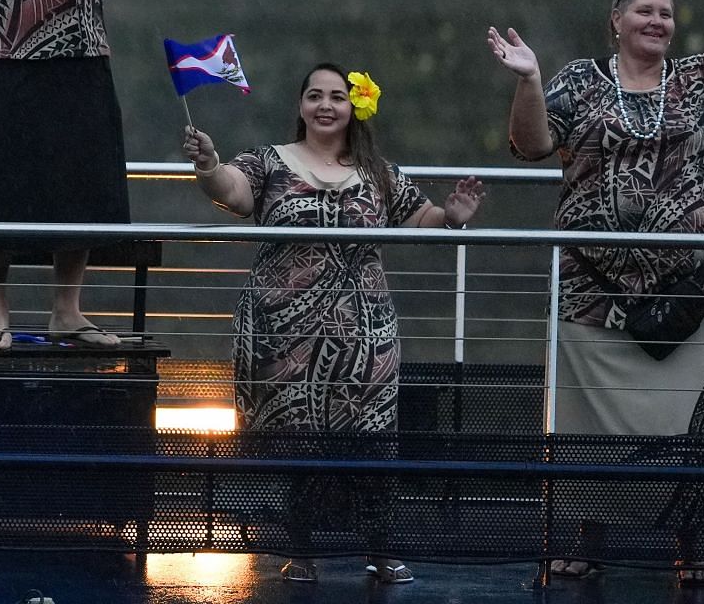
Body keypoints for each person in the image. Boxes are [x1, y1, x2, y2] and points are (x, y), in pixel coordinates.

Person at [490, 0, 704, 586]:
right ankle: (587, 541)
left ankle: (693, 546)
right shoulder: (580, 82)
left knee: (697, 423)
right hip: (593, 294)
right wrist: (530, 79)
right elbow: (529, 146)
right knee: (585, 427)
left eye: (666, 11)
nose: (657, 20)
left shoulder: (701, 81)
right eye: (644, 10)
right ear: (617, 19)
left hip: (692, 292)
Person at [181, 63, 484, 585]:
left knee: (371, 440)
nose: (326, 105)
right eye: (315, 95)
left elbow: (421, 219)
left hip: (365, 333)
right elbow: (231, 192)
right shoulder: (269, 162)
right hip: (284, 332)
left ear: (354, 107)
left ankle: (382, 550)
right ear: (300, 106)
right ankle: (302, 551)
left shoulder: (377, 171)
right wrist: (209, 164)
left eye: (337, 97)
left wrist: (453, 213)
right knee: (299, 442)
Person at [0, 0, 130, 351]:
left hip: (83, 41)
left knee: (84, 175)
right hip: (9, 42)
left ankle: (67, 310)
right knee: (6, 180)